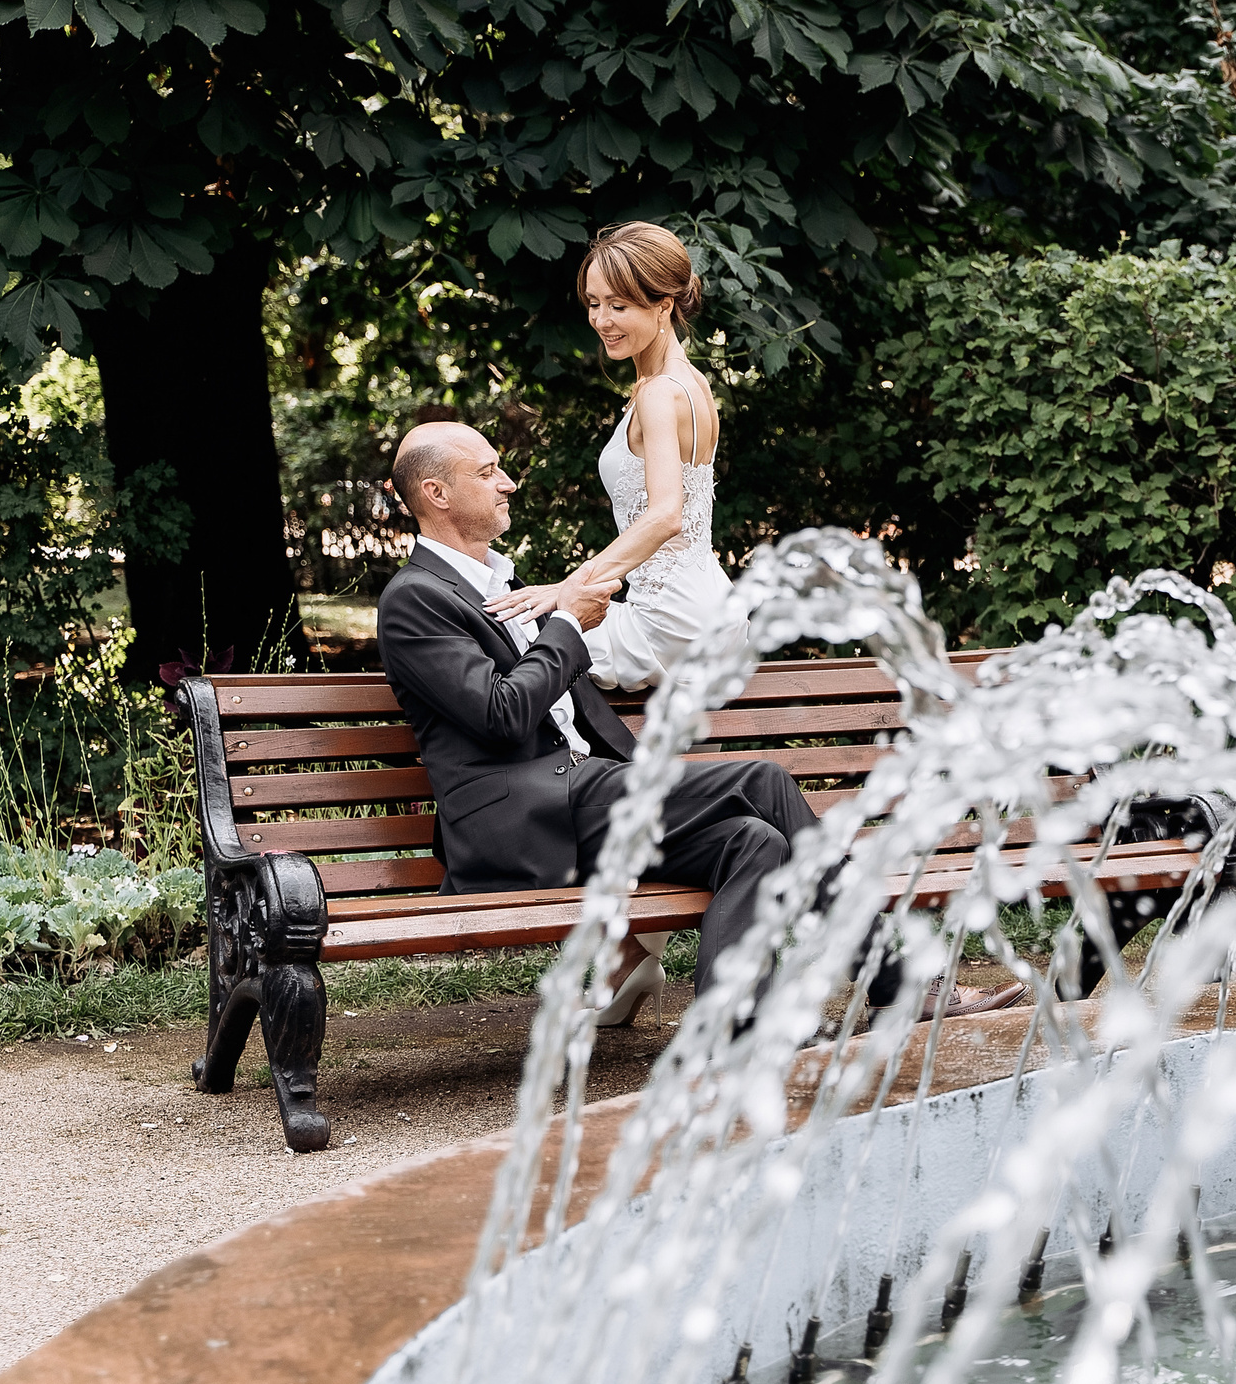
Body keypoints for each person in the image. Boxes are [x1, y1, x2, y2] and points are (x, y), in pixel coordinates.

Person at [379, 420, 1021, 1023]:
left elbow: (561, 701)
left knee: (753, 840)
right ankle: (896, 983)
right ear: (436, 493)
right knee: (763, 781)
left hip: (584, 801)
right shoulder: (416, 599)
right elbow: (502, 714)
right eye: (487, 472)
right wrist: (568, 623)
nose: (508, 483)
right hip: (525, 822)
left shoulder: (501, 582)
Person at [484, 221, 726, 692]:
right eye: (594, 303)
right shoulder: (692, 382)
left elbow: (666, 516)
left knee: (515, 643)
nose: (601, 320)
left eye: (619, 306)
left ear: (664, 305)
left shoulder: (660, 393)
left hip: (670, 625)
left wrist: (569, 587)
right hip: (709, 607)